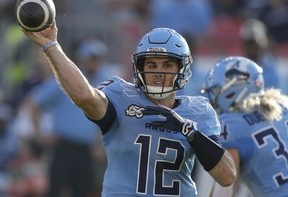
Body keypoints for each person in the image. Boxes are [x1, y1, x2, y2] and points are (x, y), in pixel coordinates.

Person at [21, 23, 236, 196]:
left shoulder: (198, 110)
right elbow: (86, 96)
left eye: (167, 65)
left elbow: (227, 176)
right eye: (151, 65)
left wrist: (191, 133)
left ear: (183, 69)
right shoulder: (120, 95)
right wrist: (51, 46)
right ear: (139, 68)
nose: (159, 72)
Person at [21, 38, 112, 197]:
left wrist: (101, 144)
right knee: (55, 190)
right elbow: (34, 103)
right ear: (82, 59)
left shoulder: (105, 82)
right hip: (63, 147)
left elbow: (108, 117)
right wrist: (40, 134)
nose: (93, 62)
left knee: (82, 191)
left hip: (86, 151)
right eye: (90, 58)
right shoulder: (68, 80)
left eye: (96, 58)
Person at [202, 56, 288, 197]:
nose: (213, 100)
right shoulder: (284, 105)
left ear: (233, 89)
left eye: (216, 92)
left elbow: (222, 193)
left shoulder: (232, 125)